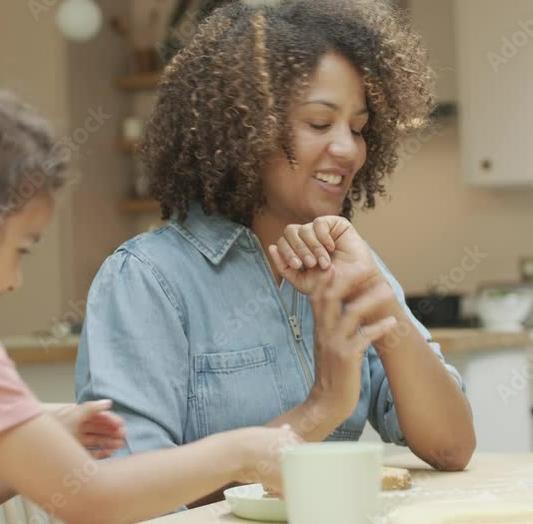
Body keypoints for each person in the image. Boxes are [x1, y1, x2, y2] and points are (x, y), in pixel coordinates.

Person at [0, 60, 298, 524]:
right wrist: (241, 451)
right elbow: (93, 503)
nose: (13, 281)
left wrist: (38, 448)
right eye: (21, 248)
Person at [76, 0, 476, 495]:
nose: (348, 149)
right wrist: (320, 408)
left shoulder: (349, 267)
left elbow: (451, 447)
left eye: (358, 127)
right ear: (242, 128)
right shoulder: (147, 280)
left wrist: (382, 304)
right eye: (318, 123)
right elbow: (126, 497)